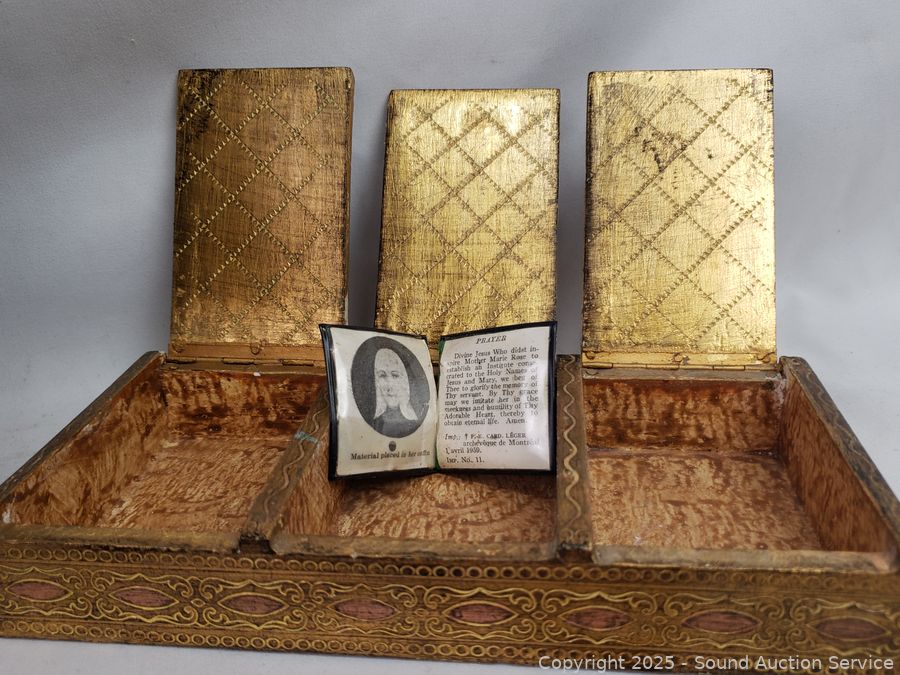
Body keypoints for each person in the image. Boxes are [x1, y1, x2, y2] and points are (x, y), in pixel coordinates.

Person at [372, 347, 420, 437]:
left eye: (395, 376)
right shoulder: (374, 424)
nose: (389, 385)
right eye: (382, 376)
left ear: (404, 380)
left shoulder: (414, 424)